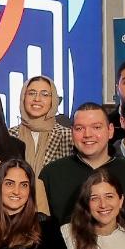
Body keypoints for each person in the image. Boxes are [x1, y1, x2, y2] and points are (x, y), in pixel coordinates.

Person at [38, 102, 125, 220]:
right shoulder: (51, 174)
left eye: (96, 127)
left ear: (110, 130)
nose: (87, 134)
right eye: (80, 128)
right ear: (72, 132)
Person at [12, 76, 74, 208]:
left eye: (45, 94)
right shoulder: (9, 136)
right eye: (32, 93)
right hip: (14, 213)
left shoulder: (68, 137)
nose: (37, 99)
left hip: (54, 213)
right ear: (23, 97)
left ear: (54, 100)